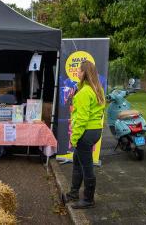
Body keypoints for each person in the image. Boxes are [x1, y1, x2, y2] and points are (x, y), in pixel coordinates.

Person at [65, 60, 105, 209]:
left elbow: (81, 119)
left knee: (86, 167)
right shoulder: (97, 89)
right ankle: (73, 193)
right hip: (95, 131)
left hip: (86, 133)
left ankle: (88, 200)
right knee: (77, 161)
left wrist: (74, 138)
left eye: (79, 71)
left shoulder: (84, 93)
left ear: (84, 73)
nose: (77, 73)